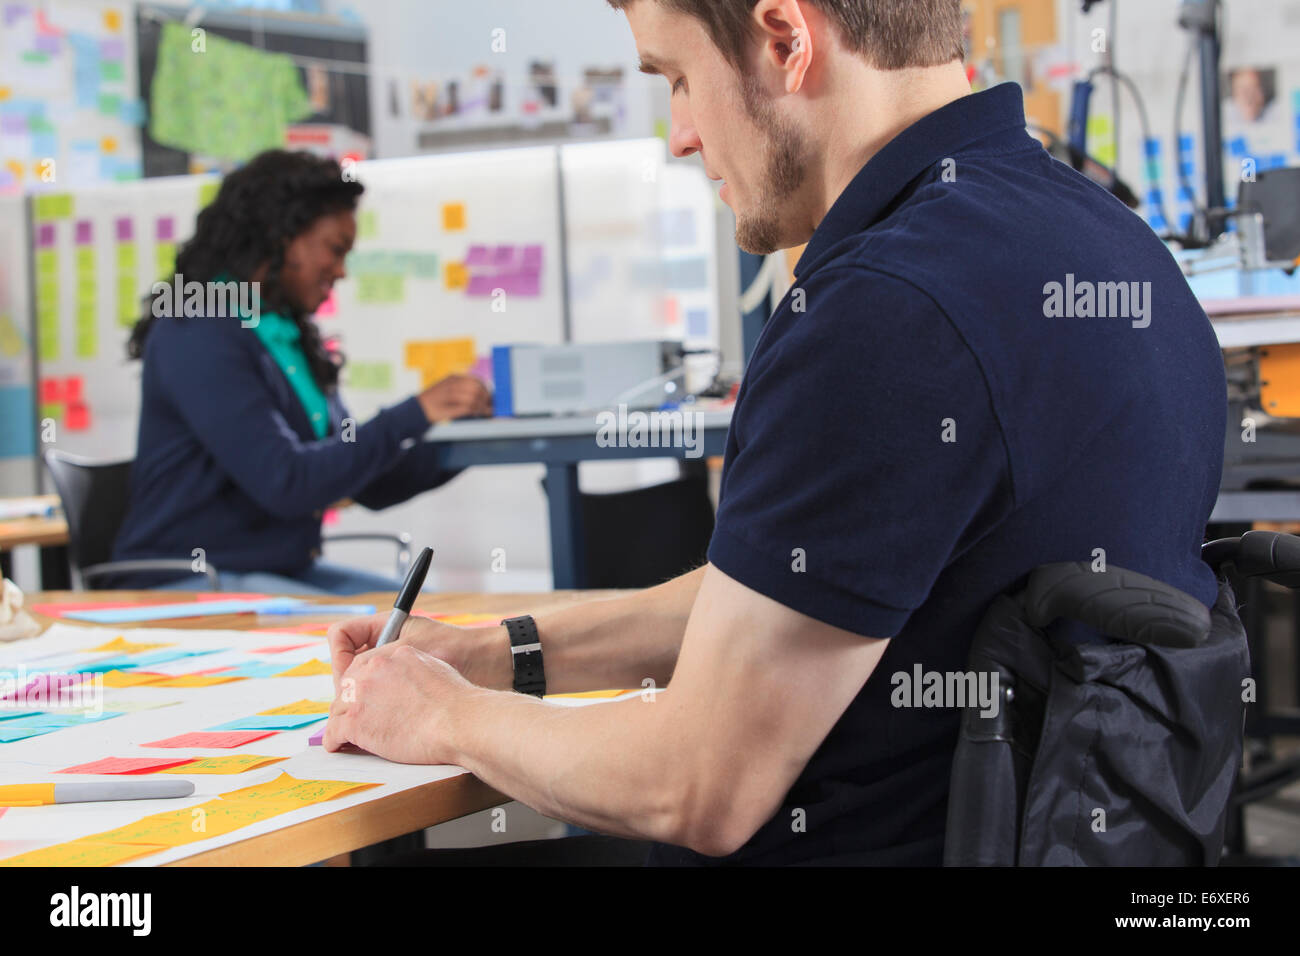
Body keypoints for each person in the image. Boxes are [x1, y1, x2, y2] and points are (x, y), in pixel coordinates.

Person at [323, 0, 1227, 865]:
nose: (679, 133)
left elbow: (696, 785)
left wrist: (442, 716)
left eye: (675, 76)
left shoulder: (883, 311)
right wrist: (498, 653)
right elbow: (797, 593)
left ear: (784, 38)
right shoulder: (1109, 244)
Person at [111, 151, 491, 595]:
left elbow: (367, 482)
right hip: (188, 580)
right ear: (280, 235)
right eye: (335, 250)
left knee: (431, 622)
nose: (342, 271)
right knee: (390, 639)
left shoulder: (282, 335)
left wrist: (468, 434)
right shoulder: (197, 330)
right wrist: (414, 412)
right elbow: (287, 482)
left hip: (272, 574)